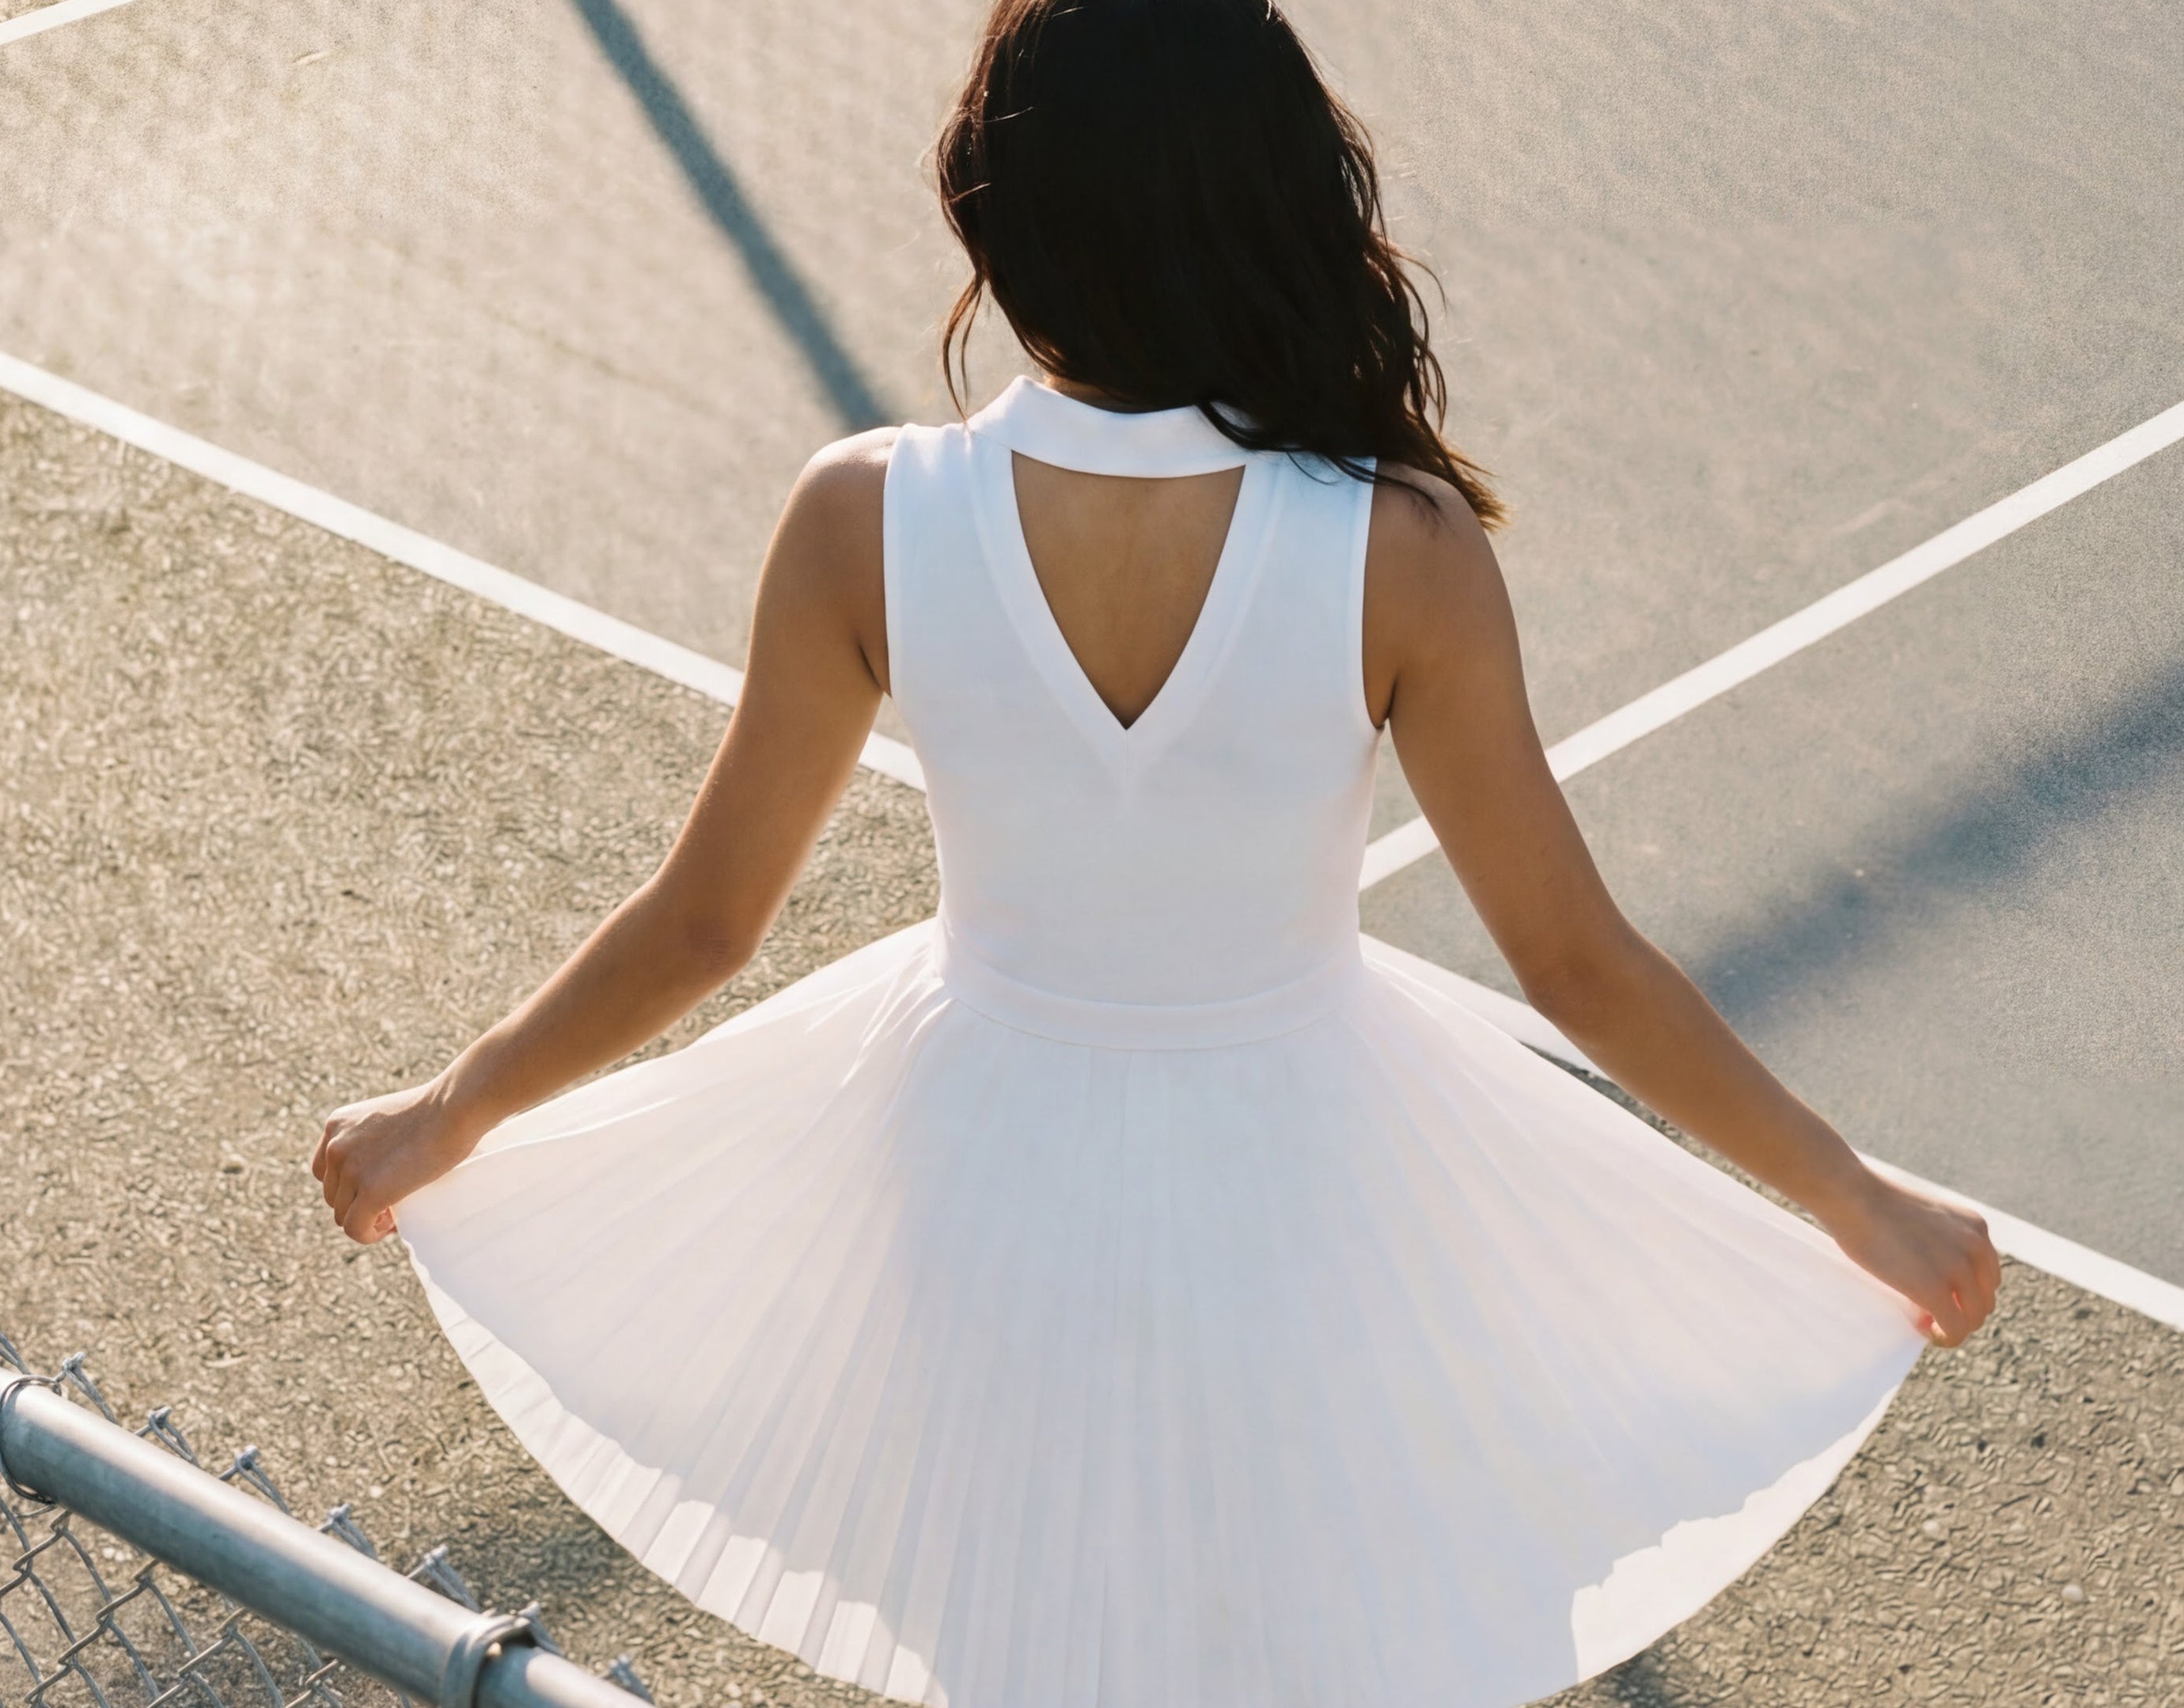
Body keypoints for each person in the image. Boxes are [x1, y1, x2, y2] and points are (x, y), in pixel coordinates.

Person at [313, 1, 1998, 1701]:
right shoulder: (1394, 544)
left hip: (972, 1168)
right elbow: (1575, 962)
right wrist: (1852, 1198)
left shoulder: (862, 516)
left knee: (1020, 1626)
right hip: (1300, 1171)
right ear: (1275, 201)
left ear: (996, 205)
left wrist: (450, 1111)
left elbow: (703, 922)